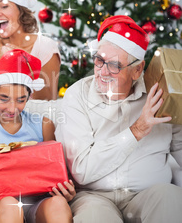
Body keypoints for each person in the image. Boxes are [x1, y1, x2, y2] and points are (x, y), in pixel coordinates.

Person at [57, 15, 182, 223]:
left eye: (114, 65)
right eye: (99, 61)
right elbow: (82, 170)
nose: (102, 72)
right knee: (96, 218)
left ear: (137, 70)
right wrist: (137, 131)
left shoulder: (160, 93)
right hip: (93, 197)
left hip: (148, 193)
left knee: (171, 199)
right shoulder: (77, 95)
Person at [0, 49, 75, 223]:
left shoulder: (43, 125)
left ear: (29, 97)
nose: (12, 109)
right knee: (11, 206)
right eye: (3, 99)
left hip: (39, 201)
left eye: (20, 100)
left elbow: (54, 171)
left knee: (58, 203)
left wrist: (66, 188)